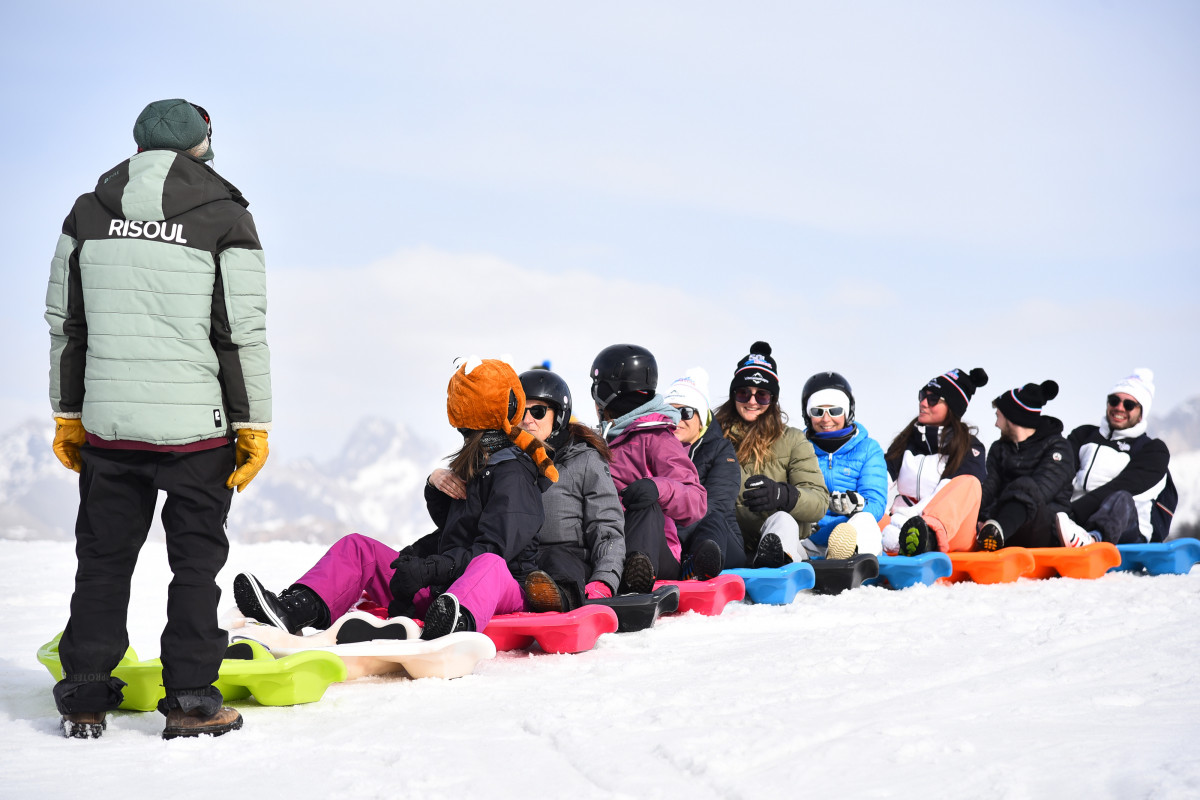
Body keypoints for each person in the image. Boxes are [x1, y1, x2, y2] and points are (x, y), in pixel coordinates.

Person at [46, 99, 271, 740]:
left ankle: (86, 693)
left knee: (103, 562)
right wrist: (252, 423)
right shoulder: (228, 217)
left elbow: (67, 324)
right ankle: (193, 702)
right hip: (197, 432)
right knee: (195, 566)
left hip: (109, 426)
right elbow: (241, 333)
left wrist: (69, 414)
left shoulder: (88, 212)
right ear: (204, 142)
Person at [235, 358, 557, 639]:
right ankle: (294, 609)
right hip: (447, 586)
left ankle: (450, 626)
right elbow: (454, 535)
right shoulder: (477, 466)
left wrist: (430, 569)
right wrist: (415, 553)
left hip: (502, 590)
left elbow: (491, 550)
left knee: (489, 565)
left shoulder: (514, 476)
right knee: (359, 548)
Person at [591, 344, 708, 592]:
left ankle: (637, 572)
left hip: (653, 551)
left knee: (645, 507)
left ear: (606, 392)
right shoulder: (597, 441)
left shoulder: (657, 438)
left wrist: (658, 488)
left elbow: (697, 501)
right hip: (605, 546)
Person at [510, 369, 627, 612]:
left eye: (538, 411)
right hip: (520, 562)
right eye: (520, 411)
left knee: (555, 561)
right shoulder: (506, 464)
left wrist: (604, 580)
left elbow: (606, 528)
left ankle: (559, 600)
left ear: (559, 417)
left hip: (570, 559)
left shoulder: (584, 460)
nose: (527, 420)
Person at [713, 342, 829, 568]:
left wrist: (784, 496)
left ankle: (774, 564)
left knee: (783, 521)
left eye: (762, 395)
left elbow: (819, 501)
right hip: (730, 540)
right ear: (733, 394)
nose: (752, 401)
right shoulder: (714, 437)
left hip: (779, 537)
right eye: (743, 392)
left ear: (773, 399)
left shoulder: (793, 440)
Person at [1057, 369, 1173, 546]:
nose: (1119, 407)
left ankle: (1094, 541)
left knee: (1121, 499)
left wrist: (1073, 512)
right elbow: (1060, 475)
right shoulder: (1083, 436)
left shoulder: (1152, 450)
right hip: (1073, 524)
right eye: (1114, 401)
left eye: (1129, 405)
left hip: (1126, 528)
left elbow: (1123, 486)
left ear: (1141, 413)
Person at [882, 368, 989, 556]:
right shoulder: (906, 441)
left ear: (952, 407)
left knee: (969, 483)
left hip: (951, 535)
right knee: (864, 510)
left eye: (932, 399)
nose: (923, 403)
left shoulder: (970, 447)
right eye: (922, 396)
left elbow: (949, 493)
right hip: (899, 529)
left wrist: (913, 519)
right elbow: (881, 478)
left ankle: (926, 538)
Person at [663, 368, 745, 579]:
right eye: (669, 412)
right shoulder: (655, 449)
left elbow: (717, 503)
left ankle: (701, 566)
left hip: (722, 541)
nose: (677, 420)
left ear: (701, 418)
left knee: (714, 519)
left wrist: (675, 535)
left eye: (686, 412)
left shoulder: (720, 450)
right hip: (672, 541)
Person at [976, 381, 1076, 550]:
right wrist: (979, 515)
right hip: (1005, 529)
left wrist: (996, 518)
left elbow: (1041, 491)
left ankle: (996, 531)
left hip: (1045, 531)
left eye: (998, 416)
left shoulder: (1058, 447)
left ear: (1013, 418)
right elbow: (990, 488)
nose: (996, 424)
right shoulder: (999, 448)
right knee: (972, 488)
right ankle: (989, 534)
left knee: (1025, 485)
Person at [799, 372, 888, 560]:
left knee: (865, 521)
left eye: (835, 410)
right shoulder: (797, 447)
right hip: (809, 538)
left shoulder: (868, 448)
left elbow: (876, 502)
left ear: (848, 411)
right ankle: (786, 561)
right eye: (817, 411)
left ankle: (845, 557)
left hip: (850, 530)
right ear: (807, 414)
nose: (826, 419)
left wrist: (856, 505)